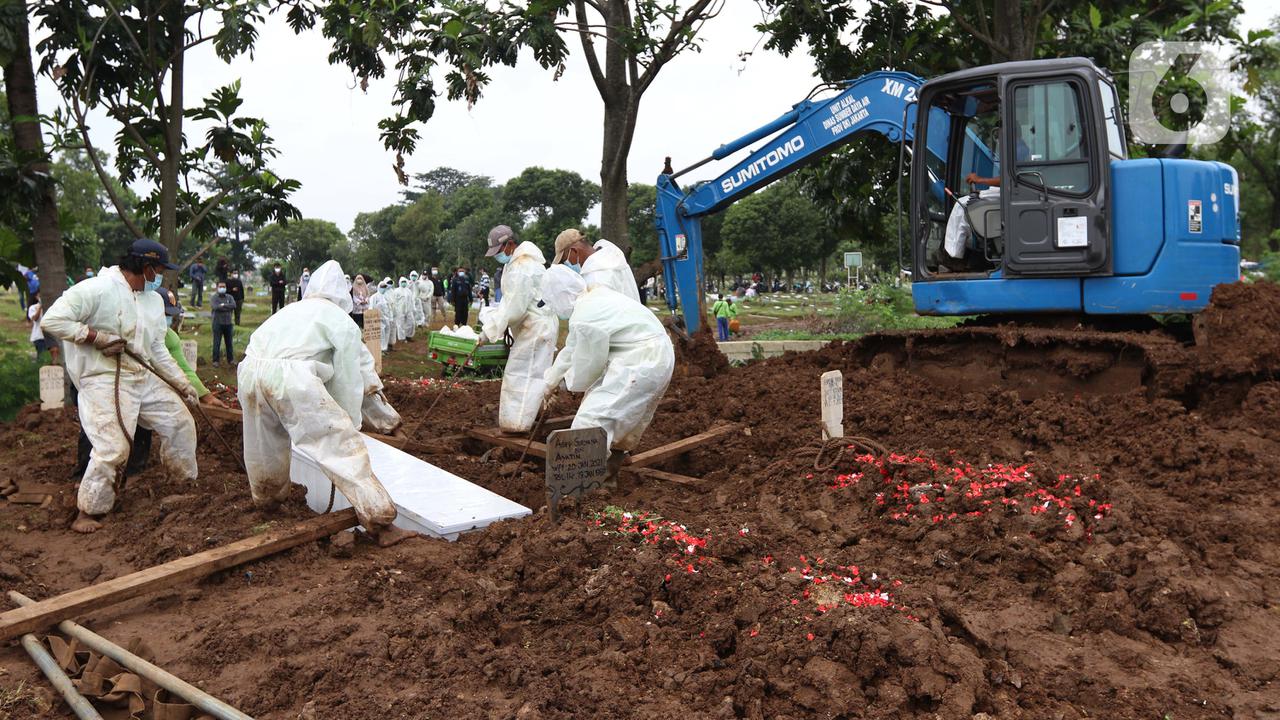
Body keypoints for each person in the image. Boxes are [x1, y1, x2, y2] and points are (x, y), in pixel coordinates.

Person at [237, 260, 414, 547]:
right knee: (341, 448)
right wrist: (349, 423)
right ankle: (381, 522)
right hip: (293, 378)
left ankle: (267, 502)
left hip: (250, 371)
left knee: (263, 445)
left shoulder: (291, 310)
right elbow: (347, 378)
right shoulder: (339, 320)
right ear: (342, 293)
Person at [41, 239, 200, 534]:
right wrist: (95, 337)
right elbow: (52, 320)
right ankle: (88, 510)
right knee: (113, 447)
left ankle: (182, 485)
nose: (162, 276)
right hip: (103, 377)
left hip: (141, 375)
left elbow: (157, 348)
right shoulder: (96, 289)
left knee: (180, 423)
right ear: (146, 267)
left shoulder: (152, 301)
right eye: (160, 269)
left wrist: (182, 384)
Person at [541, 265, 675, 479]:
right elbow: (571, 349)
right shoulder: (594, 298)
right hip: (658, 354)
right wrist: (550, 382)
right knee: (625, 417)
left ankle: (579, 489)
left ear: (559, 297)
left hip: (640, 361)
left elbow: (590, 364)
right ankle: (608, 474)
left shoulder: (586, 316)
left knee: (590, 423)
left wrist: (567, 383)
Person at [479, 225, 558, 433]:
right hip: (534, 326)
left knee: (522, 374)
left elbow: (513, 306)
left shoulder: (523, 266)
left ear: (509, 244)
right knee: (534, 373)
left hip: (535, 328)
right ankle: (531, 416)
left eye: (499, 251)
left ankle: (517, 425)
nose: (498, 256)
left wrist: (489, 330)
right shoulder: (517, 262)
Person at [551, 229, 642, 304]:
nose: (567, 265)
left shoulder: (595, 279)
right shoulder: (611, 257)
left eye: (564, 260)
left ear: (574, 251)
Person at [210, 280, 237, 367]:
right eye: (220, 287)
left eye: (224, 287)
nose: (222, 288)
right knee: (217, 342)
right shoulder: (214, 297)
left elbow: (233, 305)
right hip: (217, 323)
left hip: (228, 323)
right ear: (217, 288)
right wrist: (226, 307)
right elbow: (215, 307)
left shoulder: (230, 297)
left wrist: (222, 306)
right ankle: (215, 360)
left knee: (229, 343)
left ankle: (231, 359)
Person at [368, 279, 393, 352]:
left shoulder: (386, 297)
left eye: (384, 287)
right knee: (381, 334)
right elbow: (371, 308)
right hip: (378, 319)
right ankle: (381, 349)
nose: (383, 288)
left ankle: (385, 348)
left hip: (386, 318)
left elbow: (390, 308)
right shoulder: (374, 297)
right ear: (379, 287)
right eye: (382, 287)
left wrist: (390, 318)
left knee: (387, 333)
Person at [27, 291, 49, 361]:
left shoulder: (51, 307)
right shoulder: (33, 308)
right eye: (40, 296)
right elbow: (35, 319)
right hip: (39, 337)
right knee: (42, 357)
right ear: (37, 297)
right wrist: (40, 308)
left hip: (50, 336)